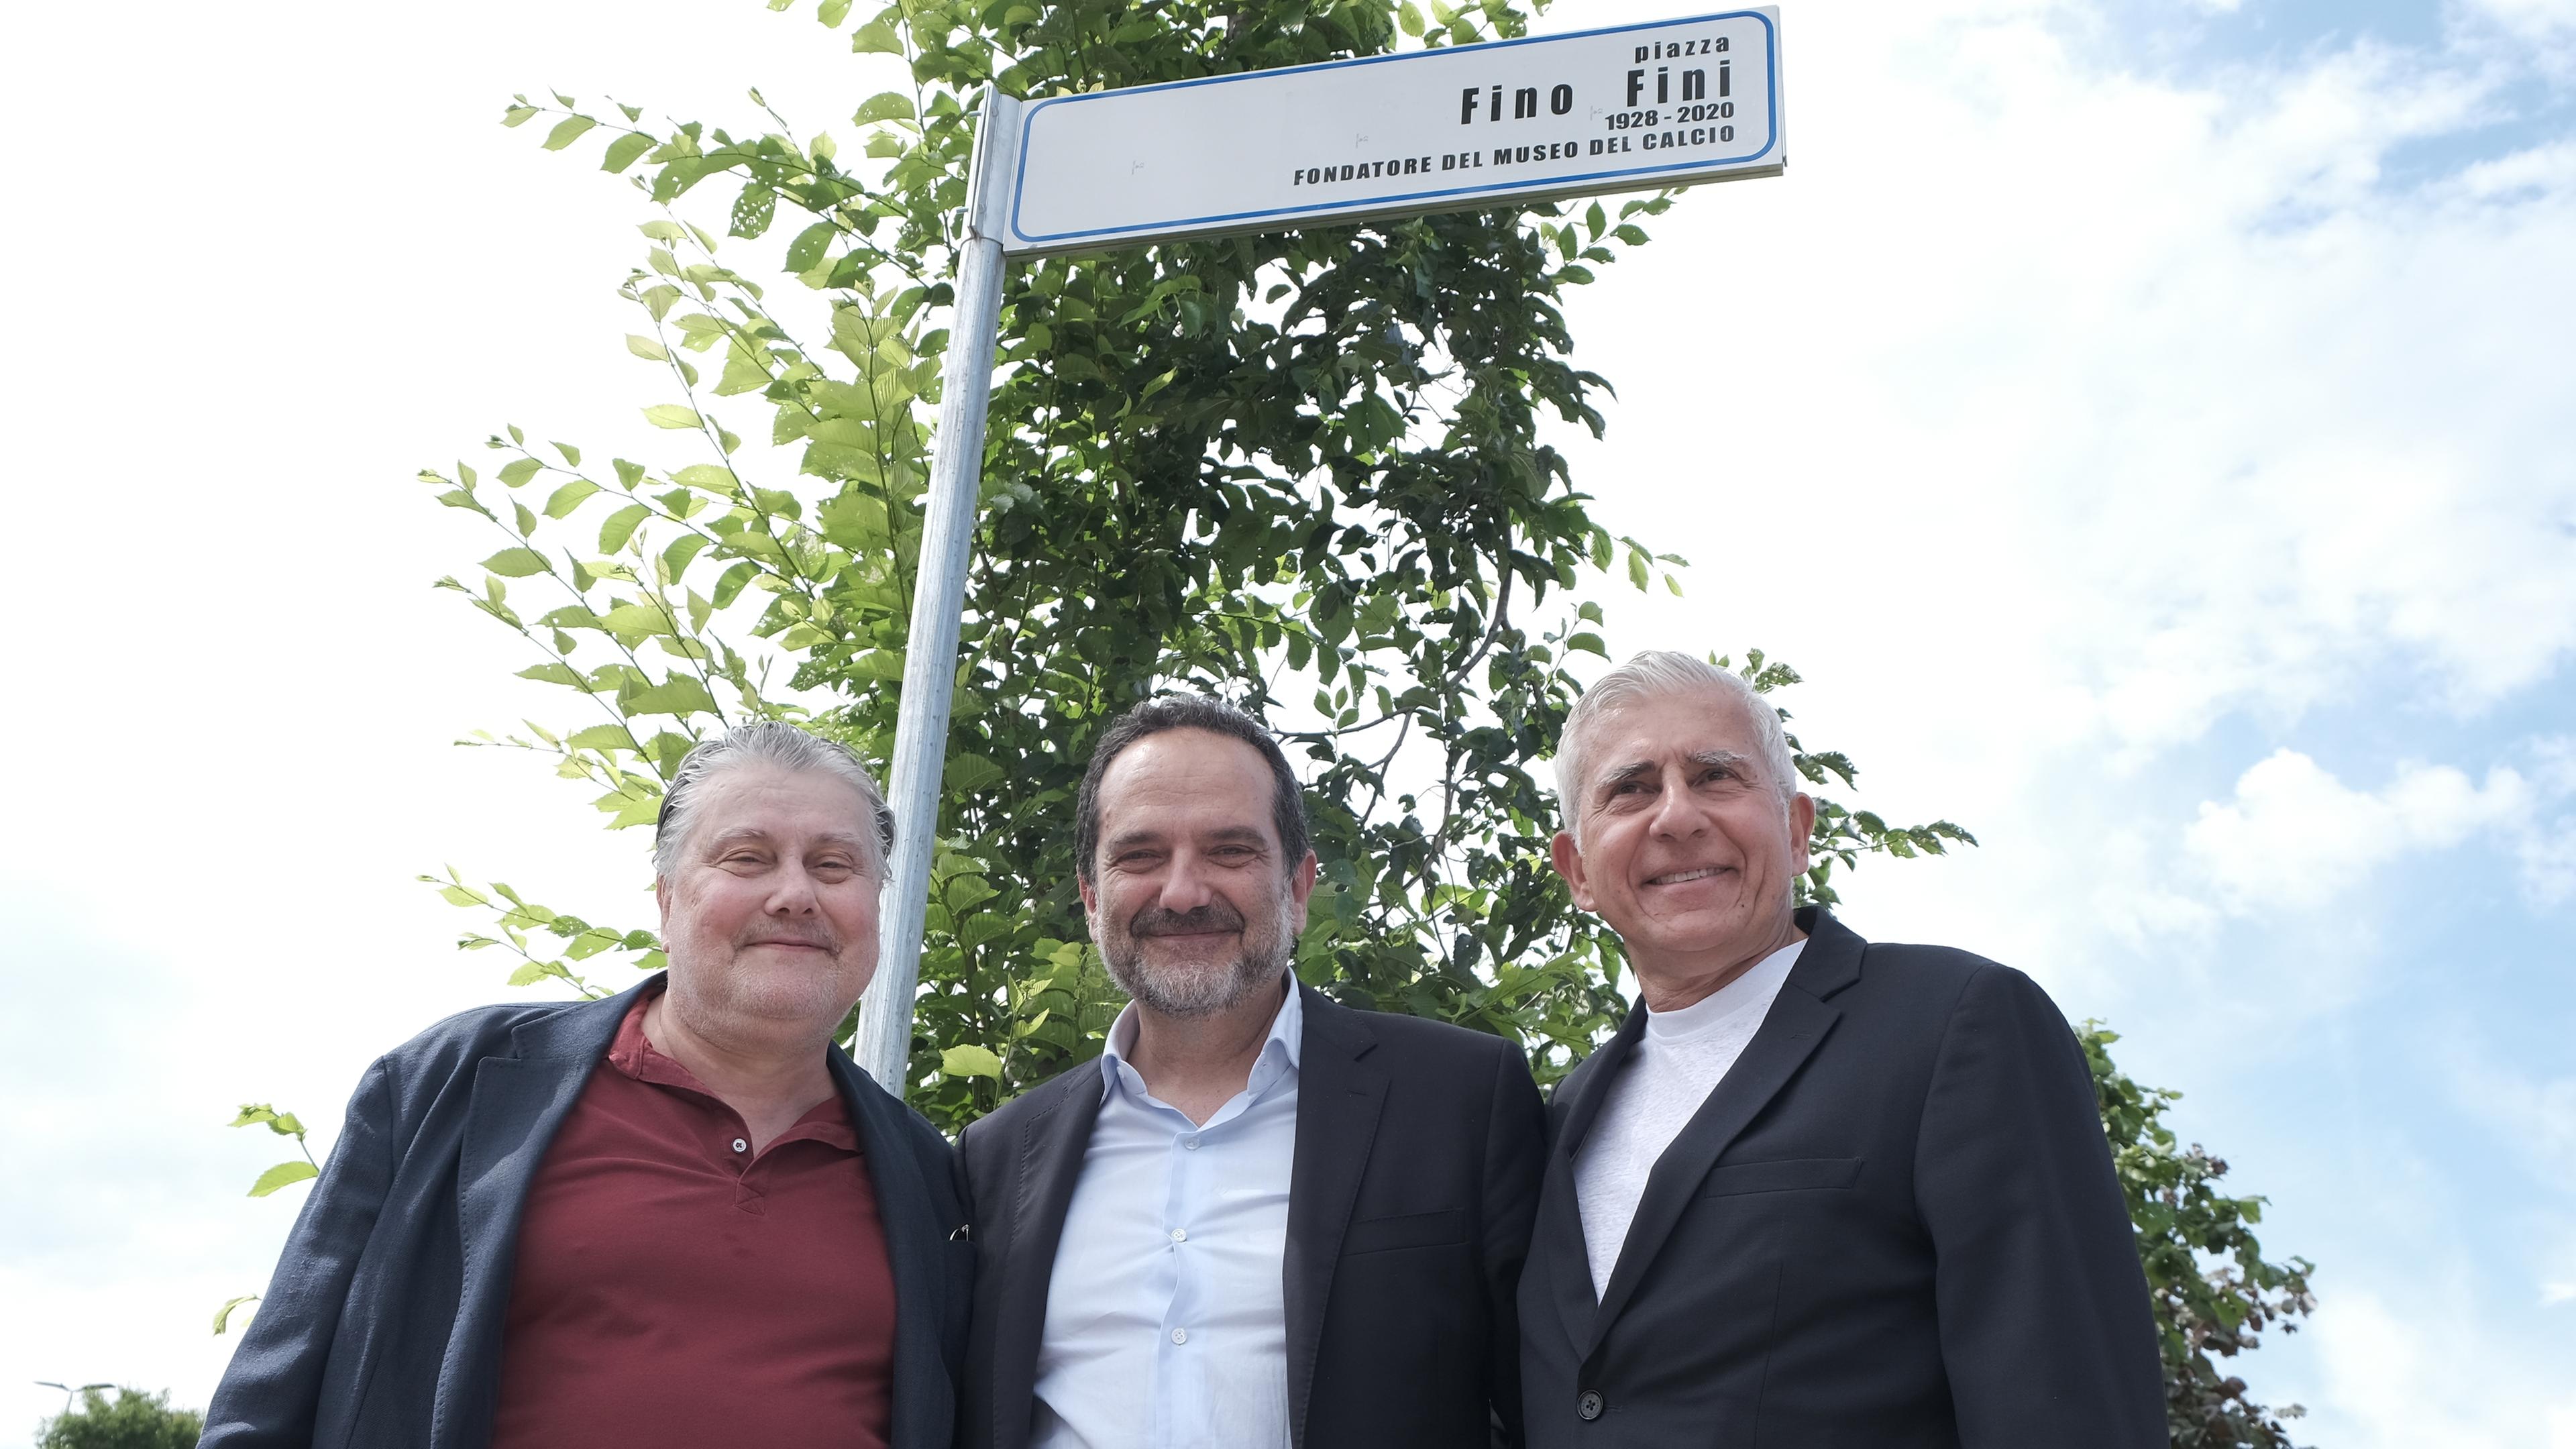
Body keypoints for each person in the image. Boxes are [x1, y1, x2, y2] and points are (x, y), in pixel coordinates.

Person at [201, 722, 972, 1449]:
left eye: (834, 866)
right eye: (748, 858)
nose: (796, 894)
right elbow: (268, 1406)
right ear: (667, 901)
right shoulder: (449, 1086)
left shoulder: (933, 1179)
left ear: (875, 907)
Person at [1519, 651, 2165, 1446]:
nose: (1677, 816)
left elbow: (2068, 1406)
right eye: (1632, 788)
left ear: (1797, 831)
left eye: (1717, 776)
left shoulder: (1953, 1023)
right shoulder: (1556, 1118)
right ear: (1577, 870)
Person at [959, 695, 1546, 1449]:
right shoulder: (998, 1156)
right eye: (1140, 856)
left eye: (1230, 850)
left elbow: (1545, 1400)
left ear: (1298, 889)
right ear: (1092, 897)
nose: (1182, 892)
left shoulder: (1462, 1099)